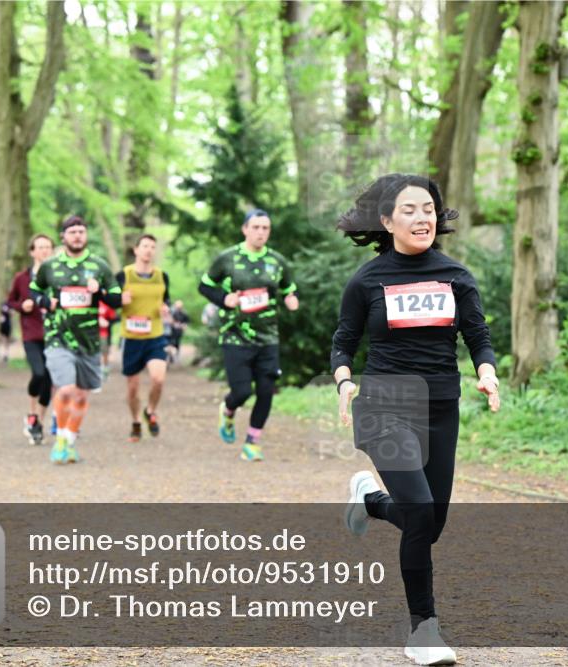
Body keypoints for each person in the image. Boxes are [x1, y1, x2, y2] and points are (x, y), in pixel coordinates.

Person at [331, 174, 500, 666]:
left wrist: (486, 372)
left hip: (441, 407)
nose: (422, 217)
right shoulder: (367, 280)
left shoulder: (456, 276)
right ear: (386, 221)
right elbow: (344, 340)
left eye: (428, 208)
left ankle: (370, 499)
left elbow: (478, 335)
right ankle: (423, 630)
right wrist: (345, 382)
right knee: (421, 512)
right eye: (409, 209)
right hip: (384, 404)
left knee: (429, 523)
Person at [198, 208, 298, 462]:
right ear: (245, 229)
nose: (260, 232)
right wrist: (224, 298)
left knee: (266, 390)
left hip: (268, 338)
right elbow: (205, 286)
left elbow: (288, 287)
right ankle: (229, 409)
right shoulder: (228, 258)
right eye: (255, 227)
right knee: (242, 392)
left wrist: (290, 299)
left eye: (265, 228)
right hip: (235, 336)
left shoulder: (277, 261)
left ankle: (252, 441)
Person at [30, 215, 122, 464]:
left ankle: (69, 441)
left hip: (89, 341)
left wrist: (99, 291)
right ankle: (60, 437)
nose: (77, 236)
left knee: (81, 396)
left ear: (86, 235)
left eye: (81, 231)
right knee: (67, 389)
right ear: (63, 237)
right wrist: (44, 302)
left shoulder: (99, 266)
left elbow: (117, 298)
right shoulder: (50, 266)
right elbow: (35, 289)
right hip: (58, 337)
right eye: (72, 232)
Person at [116, 234, 171, 442]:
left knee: (158, 379)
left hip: (155, 335)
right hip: (131, 337)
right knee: (132, 388)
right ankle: (136, 421)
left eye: (152, 247)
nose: (148, 250)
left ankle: (150, 411)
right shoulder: (124, 275)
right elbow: (110, 300)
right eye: (145, 246)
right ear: (136, 250)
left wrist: (165, 308)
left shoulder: (161, 276)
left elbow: (166, 300)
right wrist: (119, 299)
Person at [5, 233, 55, 445]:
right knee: (39, 373)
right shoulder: (22, 278)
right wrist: (21, 306)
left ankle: (38, 422)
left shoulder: (58, 277)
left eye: (48, 247)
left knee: (50, 380)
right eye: (40, 247)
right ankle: (31, 412)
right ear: (32, 252)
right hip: (32, 334)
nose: (44, 250)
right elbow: (10, 302)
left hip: (55, 334)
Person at [166, 299, 190, 364]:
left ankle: (175, 356)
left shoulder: (184, 313)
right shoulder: (171, 312)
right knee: (170, 344)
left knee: (177, 343)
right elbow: (168, 320)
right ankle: (170, 356)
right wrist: (173, 323)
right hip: (171, 331)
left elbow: (187, 321)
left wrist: (184, 325)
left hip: (179, 331)